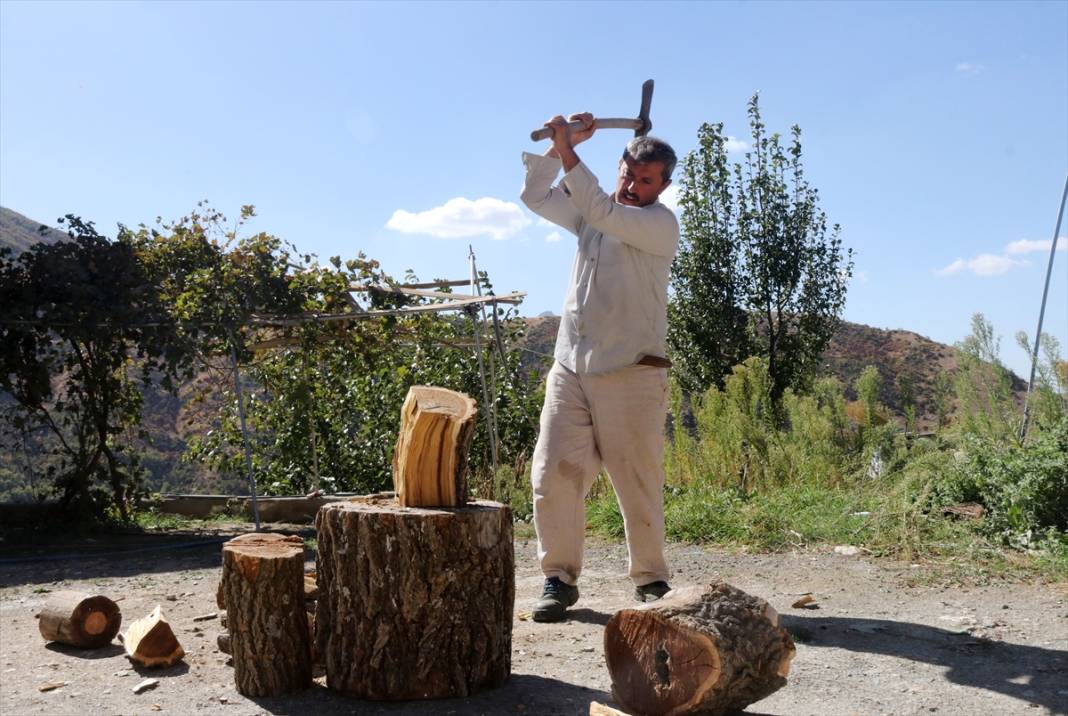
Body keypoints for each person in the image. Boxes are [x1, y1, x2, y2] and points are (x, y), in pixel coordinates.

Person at [519, 112, 680, 622]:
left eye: (645, 180)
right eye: (627, 175)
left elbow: (599, 208)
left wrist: (570, 148)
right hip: (571, 366)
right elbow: (536, 195)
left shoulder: (658, 225)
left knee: (637, 478)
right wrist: (561, 149)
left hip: (631, 371)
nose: (633, 186)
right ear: (619, 168)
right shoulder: (594, 212)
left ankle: (651, 579)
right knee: (552, 473)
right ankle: (558, 578)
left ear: (664, 185)